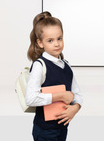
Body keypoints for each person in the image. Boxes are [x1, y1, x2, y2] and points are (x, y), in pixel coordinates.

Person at [25, 11, 83, 141]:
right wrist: (60, 96)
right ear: (40, 43)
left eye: (59, 38)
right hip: (45, 131)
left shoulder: (66, 65)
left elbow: (77, 94)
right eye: (50, 40)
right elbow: (30, 98)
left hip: (62, 128)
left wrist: (75, 108)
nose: (57, 44)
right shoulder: (40, 65)